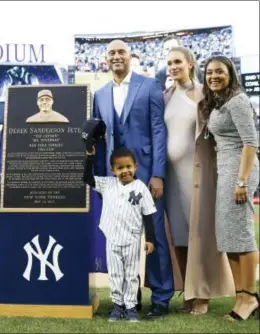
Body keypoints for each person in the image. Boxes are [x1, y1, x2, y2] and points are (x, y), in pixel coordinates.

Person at [93, 39, 174, 319]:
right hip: (115, 179)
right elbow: (100, 139)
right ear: (106, 58)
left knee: (155, 237)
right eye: (111, 53)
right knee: (122, 240)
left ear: (130, 57)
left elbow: (158, 131)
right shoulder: (100, 94)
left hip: (146, 174)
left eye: (121, 52)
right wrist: (103, 178)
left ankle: (162, 297)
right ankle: (130, 300)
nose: (116, 56)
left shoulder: (149, 86)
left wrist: (158, 174)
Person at [163, 47, 234, 315]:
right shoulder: (166, 94)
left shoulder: (206, 94)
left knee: (202, 235)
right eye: (169, 62)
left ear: (190, 64)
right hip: (171, 177)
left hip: (199, 173)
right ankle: (188, 290)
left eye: (178, 61)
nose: (173, 66)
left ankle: (203, 293)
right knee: (179, 237)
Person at [201, 56, 259, 321]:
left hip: (239, 172)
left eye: (219, 72)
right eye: (209, 72)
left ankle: (250, 297)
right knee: (229, 236)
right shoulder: (220, 101)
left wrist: (242, 181)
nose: (213, 76)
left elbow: (250, 142)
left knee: (242, 236)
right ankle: (241, 296)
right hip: (226, 172)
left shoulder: (237, 100)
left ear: (231, 74)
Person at [84, 147, 156, 322]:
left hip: (132, 239)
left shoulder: (141, 189)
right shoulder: (108, 184)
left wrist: (149, 239)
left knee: (131, 275)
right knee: (115, 274)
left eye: (128, 166)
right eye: (120, 168)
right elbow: (86, 178)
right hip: (112, 238)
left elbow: (148, 215)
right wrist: (89, 157)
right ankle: (117, 306)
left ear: (135, 166)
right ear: (113, 170)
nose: (125, 171)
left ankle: (131, 307)